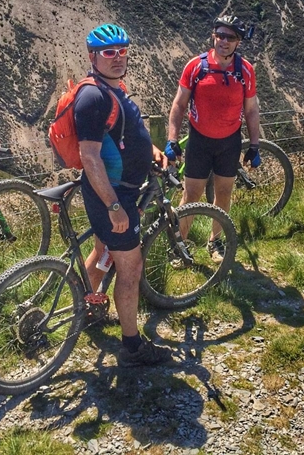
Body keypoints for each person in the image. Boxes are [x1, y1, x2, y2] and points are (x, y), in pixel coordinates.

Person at [75, 23, 172, 368]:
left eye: (122, 51)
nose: (117, 58)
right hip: (114, 195)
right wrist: (114, 207)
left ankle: (86, 307)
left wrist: (153, 150)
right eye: (108, 53)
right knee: (131, 268)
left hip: (118, 192)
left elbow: (128, 135)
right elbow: (89, 156)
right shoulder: (93, 96)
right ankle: (132, 348)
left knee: (104, 251)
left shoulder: (114, 89)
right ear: (92, 57)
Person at [165, 15, 259, 260]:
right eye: (220, 35)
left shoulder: (245, 70)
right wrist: (172, 139)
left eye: (230, 37)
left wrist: (255, 144)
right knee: (191, 194)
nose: (224, 41)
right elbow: (178, 105)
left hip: (229, 141)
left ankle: (214, 242)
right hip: (200, 140)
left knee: (224, 193)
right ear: (213, 35)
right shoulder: (196, 66)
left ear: (238, 41)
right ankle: (179, 246)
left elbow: (251, 110)